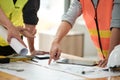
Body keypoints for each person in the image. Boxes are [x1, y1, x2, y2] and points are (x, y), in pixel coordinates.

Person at [48, 0, 120, 67]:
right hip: (107, 61)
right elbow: (69, 18)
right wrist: (56, 41)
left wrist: (111, 58)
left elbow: (117, 25)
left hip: (115, 58)